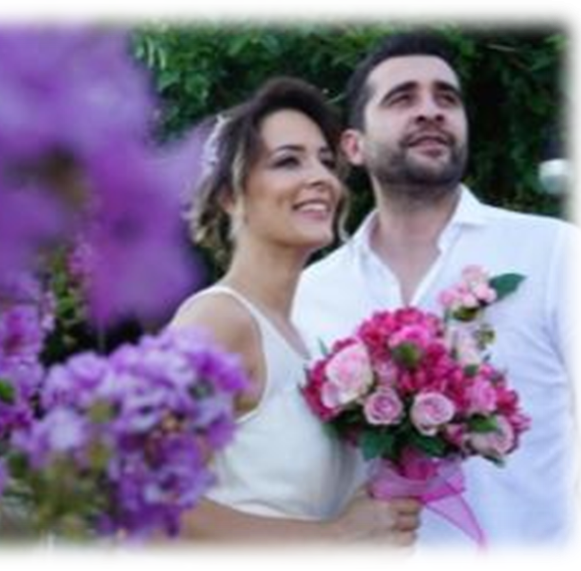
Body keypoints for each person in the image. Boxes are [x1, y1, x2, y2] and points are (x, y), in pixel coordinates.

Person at [295, 32, 581, 567]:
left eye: (446, 98)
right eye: (402, 98)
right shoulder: (313, 293)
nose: (431, 110)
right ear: (353, 147)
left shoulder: (551, 252)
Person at [143, 77, 422, 566]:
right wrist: (330, 541)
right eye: (288, 161)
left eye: (326, 161)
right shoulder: (219, 322)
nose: (321, 178)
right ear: (230, 195)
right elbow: (142, 505)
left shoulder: (311, 342)